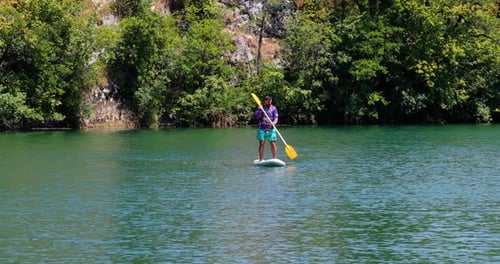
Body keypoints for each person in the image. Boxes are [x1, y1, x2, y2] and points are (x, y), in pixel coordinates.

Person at [255, 96, 278, 161]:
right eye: (268, 101)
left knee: (272, 142)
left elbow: (276, 118)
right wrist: (260, 110)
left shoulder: (274, 108)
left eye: (270, 101)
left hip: (271, 128)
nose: (270, 102)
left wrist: (274, 122)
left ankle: (275, 158)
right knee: (262, 143)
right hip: (262, 128)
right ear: (265, 101)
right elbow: (257, 117)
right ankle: (261, 159)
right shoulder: (260, 107)